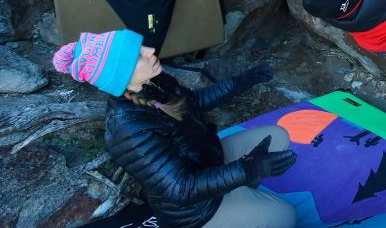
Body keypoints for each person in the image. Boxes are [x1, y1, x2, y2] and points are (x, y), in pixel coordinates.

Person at [52, 30, 297, 228]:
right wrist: (249, 167)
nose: (149, 50)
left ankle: (237, 193)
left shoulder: (152, 82)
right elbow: (182, 189)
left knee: (278, 137)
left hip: (208, 161)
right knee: (286, 215)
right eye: (138, 55)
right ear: (121, 76)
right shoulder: (128, 131)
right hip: (196, 210)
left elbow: (193, 103)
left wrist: (239, 83)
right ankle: (233, 204)